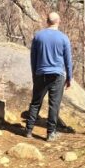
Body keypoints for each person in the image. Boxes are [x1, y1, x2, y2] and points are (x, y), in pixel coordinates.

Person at [25, 11, 73, 142]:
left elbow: (33, 58)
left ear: (47, 21)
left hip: (41, 73)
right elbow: (68, 60)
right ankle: (50, 133)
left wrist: (34, 74)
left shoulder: (38, 36)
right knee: (54, 104)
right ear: (58, 21)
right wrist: (70, 77)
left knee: (35, 103)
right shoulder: (64, 38)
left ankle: (28, 130)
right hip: (57, 75)